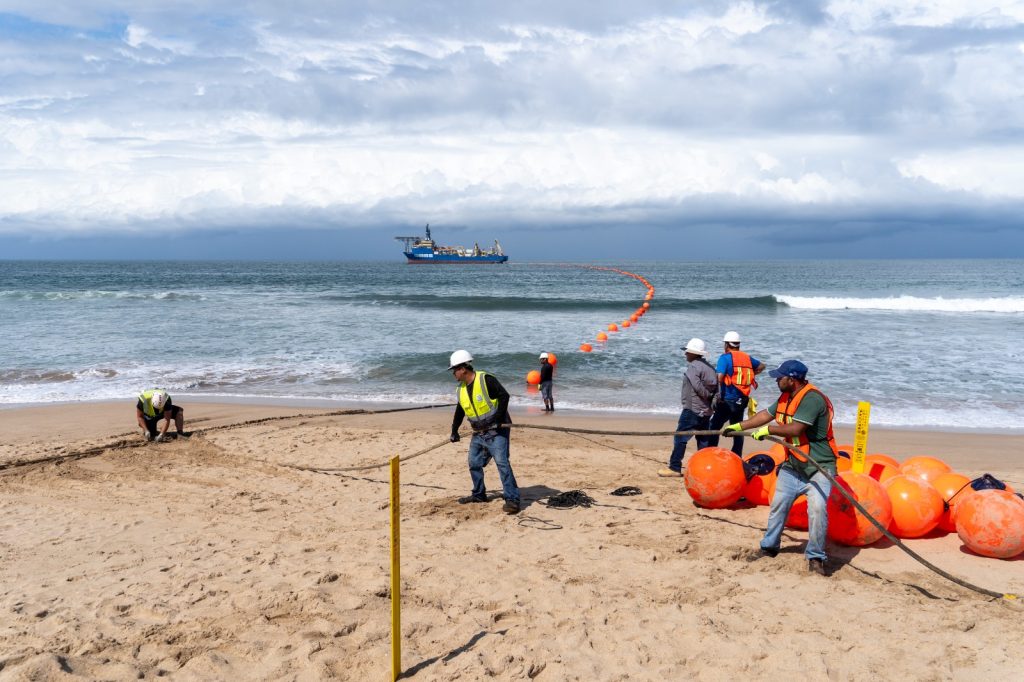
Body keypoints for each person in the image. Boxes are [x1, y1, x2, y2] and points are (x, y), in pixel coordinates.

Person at [722, 360, 838, 576]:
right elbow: (766, 414)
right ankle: (769, 547)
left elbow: (796, 428)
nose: (776, 380)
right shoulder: (787, 396)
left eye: (780, 377)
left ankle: (815, 558)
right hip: (793, 464)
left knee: (817, 510)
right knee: (778, 506)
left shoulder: (812, 399)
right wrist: (738, 427)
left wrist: (768, 431)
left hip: (818, 466)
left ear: (792, 380)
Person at [448, 350, 521, 514]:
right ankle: (479, 494)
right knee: (474, 462)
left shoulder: (485, 380)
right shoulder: (460, 389)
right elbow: (460, 411)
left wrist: (497, 419)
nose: (453, 373)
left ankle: (512, 499)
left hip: (497, 431)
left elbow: (504, 396)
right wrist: (454, 430)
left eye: (454, 369)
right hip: (479, 433)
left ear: (463, 369)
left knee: (502, 463)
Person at [659, 338, 718, 477]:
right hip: (706, 411)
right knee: (703, 441)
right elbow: (717, 389)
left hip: (692, 410)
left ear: (693, 353)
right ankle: (703, 469)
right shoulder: (710, 367)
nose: (685, 354)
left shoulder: (694, 367)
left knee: (680, 438)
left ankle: (674, 467)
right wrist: (711, 402)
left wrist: (707, 395)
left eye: (687, 352)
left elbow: (698, 387)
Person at [710, 331, 765, 456]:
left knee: (713, 427)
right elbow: (762, 366)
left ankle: (711, 453)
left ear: (726, 345)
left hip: (727, 401)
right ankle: (737, 455)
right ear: (738, 344)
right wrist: (751, 374)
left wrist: (713, 396)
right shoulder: (747, 357)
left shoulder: (725, 358)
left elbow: (719, 378)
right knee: (738, 428)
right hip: (742, 400)